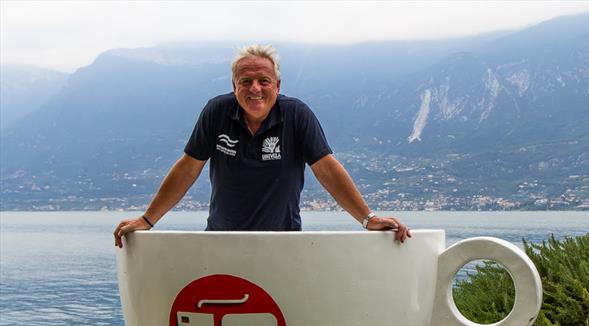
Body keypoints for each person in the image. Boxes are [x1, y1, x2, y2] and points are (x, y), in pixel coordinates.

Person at [114, 44, 410, 247]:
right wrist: (147, 219)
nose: (255, 88)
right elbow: (187, 169)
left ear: (277, 87)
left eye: (263, 81)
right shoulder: (216, 112)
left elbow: (328, 170)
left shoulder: (296, 115)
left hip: (281, 244)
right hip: (221, 242)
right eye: (246, 81)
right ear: (234, 87)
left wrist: (368, 218)